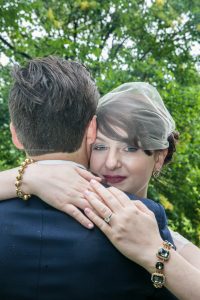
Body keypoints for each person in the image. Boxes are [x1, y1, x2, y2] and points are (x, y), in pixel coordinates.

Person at [0, 57, 176, 300]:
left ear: (15, 136)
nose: (112, 161)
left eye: (130, 148)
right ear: (92, 129)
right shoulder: (143, 218)